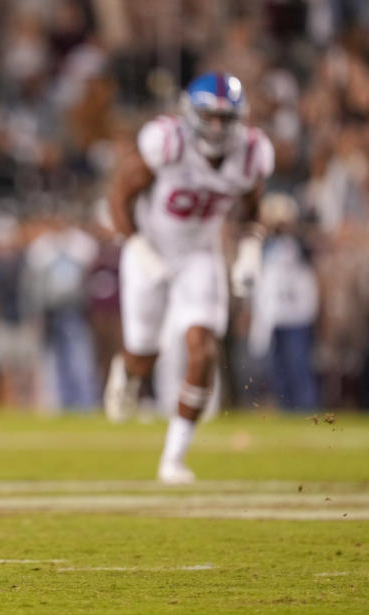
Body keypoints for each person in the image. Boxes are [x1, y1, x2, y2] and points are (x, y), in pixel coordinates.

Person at [103, 72, 273, 484]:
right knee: (146, 352)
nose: (216, 127)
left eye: (224, 118)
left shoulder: (251, 154)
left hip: (200, 252)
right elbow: (118, 196)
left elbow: (251, 209)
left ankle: (173, 459)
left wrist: (250, 248)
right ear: (190, 114)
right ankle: (127, 370)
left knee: (203, 348)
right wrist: (136, 246)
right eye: (208, 117)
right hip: (151, 247)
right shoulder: (168, 143)